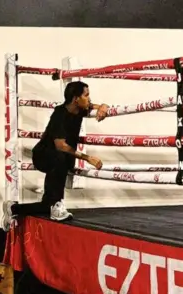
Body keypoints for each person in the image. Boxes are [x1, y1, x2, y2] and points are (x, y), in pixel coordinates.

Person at [6, 80, 109, 223]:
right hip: (44, 155)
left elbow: (93, 105)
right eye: (86, 95)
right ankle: (57, 204)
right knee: (61, 157)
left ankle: (13, 209)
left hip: (58, 160)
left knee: (45, 205)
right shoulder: (59, 114)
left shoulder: (79, 109)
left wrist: (103, 107)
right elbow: (61, 146)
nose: (89, 98)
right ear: (75, 98)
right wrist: (87, 158)